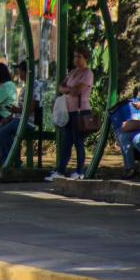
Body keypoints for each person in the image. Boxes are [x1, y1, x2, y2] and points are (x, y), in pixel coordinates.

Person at [45, 47, 94, 181]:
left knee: (78, 141)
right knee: (66, 142)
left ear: (85, 58)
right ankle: (60, 170)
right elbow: (61, 86)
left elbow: (78, 91)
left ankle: (79, 171)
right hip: (69, 111)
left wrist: (68, 90)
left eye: (79, 56)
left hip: (80, 111)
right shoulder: (73, 72)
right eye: (75, 56)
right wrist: (68, 89)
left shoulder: (87, 73)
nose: (76, 59)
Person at [0, 61, 33, 166]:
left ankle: (14, 161)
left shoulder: (33, 85)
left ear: (26, 72)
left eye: (20, 72)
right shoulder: (24, 87)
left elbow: (31, 108)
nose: (19, 74)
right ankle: (5, 159)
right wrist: (10, 116)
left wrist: (17, 111)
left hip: (27, 121)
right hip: (17, 118)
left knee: (3, 132)